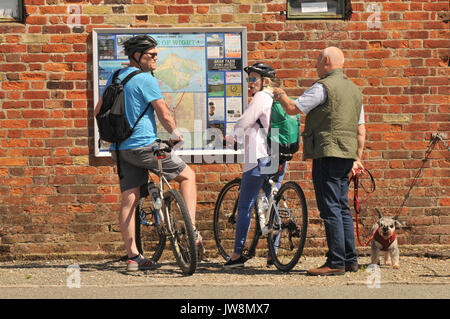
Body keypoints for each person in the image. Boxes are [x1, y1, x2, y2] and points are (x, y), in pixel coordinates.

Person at [94, 35, 203, 271]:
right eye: (151, 55)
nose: (155, 59)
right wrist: (175, 134)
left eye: (156, 55)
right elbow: (163, 113)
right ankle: (190, 229)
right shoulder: (145, 80)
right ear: (137, 57)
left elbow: (97, 110)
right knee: (188, 176)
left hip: (121, 149)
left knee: (129, 200)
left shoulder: (115, 76)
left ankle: (133, 257)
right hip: (144, 146)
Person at [273, 47, 366, 276]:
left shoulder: (323, 87)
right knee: (342, 207)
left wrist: (280, 94)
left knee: (330, 208)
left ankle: (335, 262)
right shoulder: (355, 91)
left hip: (327, 153)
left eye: (317, 61)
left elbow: (294, 108)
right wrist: (357, 158)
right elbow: (361, 130)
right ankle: (350, 259)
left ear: (326, 61)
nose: (315, 66)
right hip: (347, 155)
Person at [223, 62, 286, 269]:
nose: (250, 83)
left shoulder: (260, 97)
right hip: (276, 155)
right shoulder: (276, 98)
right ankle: (272, 255)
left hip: (259, 157)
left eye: (253, 79)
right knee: (271, 205)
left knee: (244, 207)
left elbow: (245, 121)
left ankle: (236, 255)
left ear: (264, 81)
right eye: (248, 79)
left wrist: (231, 136)